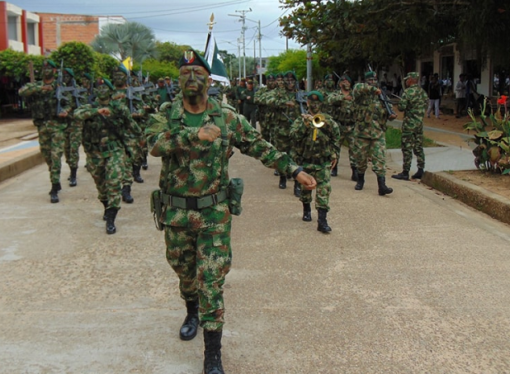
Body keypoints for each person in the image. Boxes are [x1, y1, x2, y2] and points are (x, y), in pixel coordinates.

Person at [145, 49, 317, 374]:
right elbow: (153, 144)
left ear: (209, 81)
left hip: (214, 215)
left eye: (199, 74)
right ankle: (191, 309)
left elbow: (259, 145)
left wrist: (294, 170)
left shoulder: (226, 117)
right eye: (186, 75)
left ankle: (212, 356)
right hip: (177, 215)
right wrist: (190, 134)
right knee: (184, 274)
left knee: (210, 280)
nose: (192, 80)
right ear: (178, 81)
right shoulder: (166, 114)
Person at [74, 79, 138, 234]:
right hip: (94, 153)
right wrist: (97, 112)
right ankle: (106, 206)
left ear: (110, 91)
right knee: (101, 186)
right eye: (99, 88)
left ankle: (111, 218)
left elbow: (132, 125)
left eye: (105, 88)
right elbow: (77, 114)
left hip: (114, 151)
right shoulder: (90, 108)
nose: (101, 90)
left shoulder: (119, 108)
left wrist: (139, 141)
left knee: (114, 183)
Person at [18, 59, 72, 203]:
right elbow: (22, 92)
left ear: (54, 72)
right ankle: (55, 178)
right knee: (47, 155)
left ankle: (54, 187)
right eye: (44, 69)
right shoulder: (35, 86)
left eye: (49, 69)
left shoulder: (60, 86)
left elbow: (70, 103)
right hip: (42, 126)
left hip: (57, 126)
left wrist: (66, 111)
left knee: (55, 156)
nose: (46, 72)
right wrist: (40, 89)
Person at [290, 91, 340, 233]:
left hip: (323, 162)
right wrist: (304, 125)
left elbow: (336, 136)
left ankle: (322, 221)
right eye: (312, 103)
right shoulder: (301, 120)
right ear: (307, 104)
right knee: (306, 189)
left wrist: (335, 154)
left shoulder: (327, 120)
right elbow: (293, 136)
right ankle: (306, 210)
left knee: (324, 190)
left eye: (317, 103)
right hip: (306, 161)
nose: (315, 105)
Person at [352, 71, 395, 196]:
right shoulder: (361, 92)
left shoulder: (382, 96)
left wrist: (391, 115)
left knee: (380, 159)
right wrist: (372, 90)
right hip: (362, 132)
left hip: (378, 133)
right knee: (360, 159)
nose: (372, 82)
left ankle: (382, 186)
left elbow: (388, 111)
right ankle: (360, 180)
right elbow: (358, 88)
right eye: (370, 80)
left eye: (374, 80)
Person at [392, 72, 429, 181]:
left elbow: (402, 107)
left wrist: (400, 104)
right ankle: (421, 169)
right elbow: (426, 105)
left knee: (407, 147)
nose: (406, 81)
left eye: (407, 79)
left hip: (409, 124)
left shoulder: (407, 92)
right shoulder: (423, 92)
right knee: (418, 146)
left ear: (411, 80)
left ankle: (405, 172)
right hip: (419, 124)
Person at [327, 74, 358, 181]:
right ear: (340, 84)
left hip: (352, 125)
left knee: (354, 149)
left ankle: (355, 170)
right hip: (339, 125)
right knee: (336, 148)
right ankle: (334, 168)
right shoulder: (336, 94)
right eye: (344, 82)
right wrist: (343, 97)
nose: (346, 84)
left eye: (348, 82)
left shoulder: (355, 94)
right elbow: (330, 100)